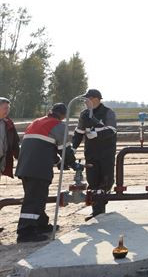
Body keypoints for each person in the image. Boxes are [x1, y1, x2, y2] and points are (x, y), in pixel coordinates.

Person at [15, 103, 76, 243]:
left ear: (51, 111)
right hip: (38, 169)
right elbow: (65, 150)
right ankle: (25, 232)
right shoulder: (59, 126)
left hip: (25, 167)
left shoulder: (36, 122)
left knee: (37, 197)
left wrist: (58, 162)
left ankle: (40, 224)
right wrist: (73, 164)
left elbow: (44, 147)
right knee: (34, 200)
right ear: (63, 115)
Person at [72, 89, 117, 217]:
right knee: (92, 181)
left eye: (87, 99)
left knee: (105, 181)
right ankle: (97, 211)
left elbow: (112, 130)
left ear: (95, 99)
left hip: (106, 153)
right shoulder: (84, 114)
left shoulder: (108, 112)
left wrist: (97, 134)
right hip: (91, 153)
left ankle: (100, 210)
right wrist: (73, 148)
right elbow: (79, 132)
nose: (85, 102)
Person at [0, 97, 20, 180]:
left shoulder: (9, 123)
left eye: (8, 108)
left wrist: (19, 158)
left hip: (2, 159)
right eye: (5, 108)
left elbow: (15, 143)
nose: (7, 111)